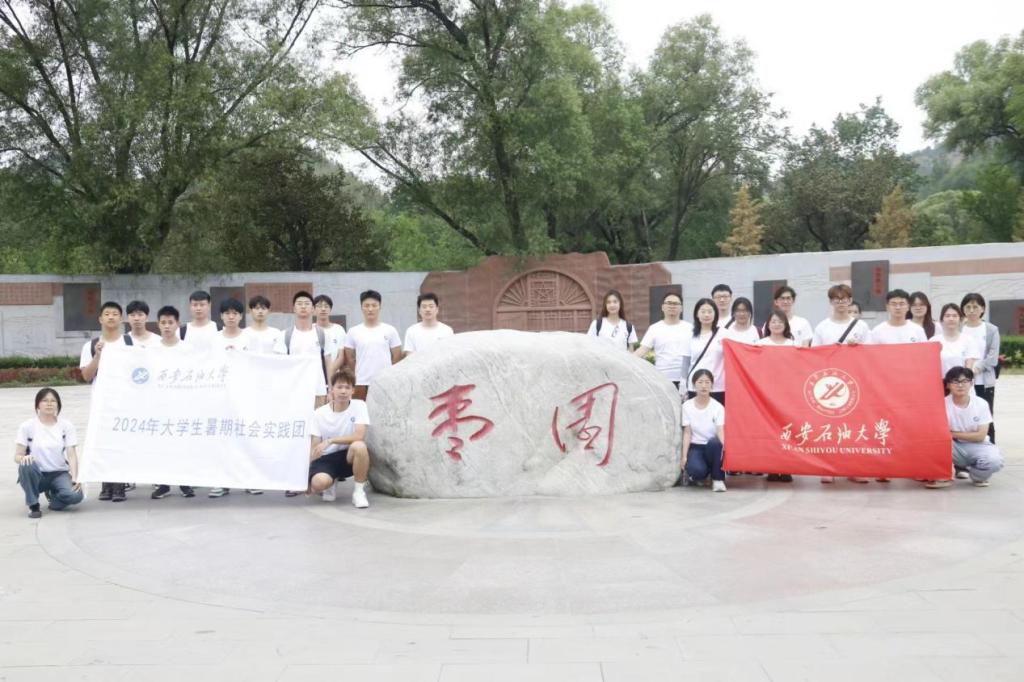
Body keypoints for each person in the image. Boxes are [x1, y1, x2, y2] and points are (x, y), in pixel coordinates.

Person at [207, 297, 261, 498]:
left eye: (235, 313)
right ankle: (222, 482)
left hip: (244, 396)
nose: (231, 317)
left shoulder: (249, 338)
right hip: (220, 396)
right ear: (221, 316)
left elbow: (257, 365)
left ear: (240, 316)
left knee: (245, 438)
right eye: (227, 313)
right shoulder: (214, 339)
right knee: (221, 439)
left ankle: (249, 479)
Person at [79, 301, 128, 502]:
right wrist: (98, 356)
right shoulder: (91, 345)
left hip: (125, 402)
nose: (111, 317)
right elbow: (86, 376)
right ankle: (106, 484)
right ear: (100, 319)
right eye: (107, 314)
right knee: (103, 443)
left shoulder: (129, 343)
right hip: (101, 403)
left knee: (121, 444)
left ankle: (120, 485)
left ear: (121, 319)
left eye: (115, 314)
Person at [925, 367, 1004, 489]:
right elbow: (937, 433)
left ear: (971, 383)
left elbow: (980, 436)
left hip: (978, 445)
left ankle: (977, 476)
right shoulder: (941, 405)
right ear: (948, 385)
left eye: (965, 381)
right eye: (955, 381)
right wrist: (950, 436)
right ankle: (943, 475)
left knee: (994, 461)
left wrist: (952, 433)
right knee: (932, 444)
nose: (960, 385)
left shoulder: (981, 404)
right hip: (952, 446)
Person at [14, 388, 84, 518]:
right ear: (37, 405)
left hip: (59, 473)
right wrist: (24, 458)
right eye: (45, 400)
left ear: (58, 405)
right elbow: (17, 456)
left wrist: (75, 478)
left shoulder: (66, 426)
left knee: (76, 496)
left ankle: (54, 499)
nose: (49, 404)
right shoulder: (27, 426)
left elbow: (71, 454)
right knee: (26, 464)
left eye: (53, 401)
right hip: (37, 474)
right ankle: (33, 505)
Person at [150, 306, 197, 500]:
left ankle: (185, 482)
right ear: (158, 325)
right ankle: (163, 484)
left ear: (178, 324)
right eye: (163, 323)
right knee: (162, 446)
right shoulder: (151, 350)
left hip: (182, 404)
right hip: (159, 405)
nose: (167, 326)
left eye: (171, 322)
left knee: (183, 445)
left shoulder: (188, 349)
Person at [307, 368, 372, 508]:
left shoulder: (360, 406)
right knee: (318, 484)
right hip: (327, 458)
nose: (343, 391)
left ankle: (359, 492)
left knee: (360, 446)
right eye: (339, 387)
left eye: (347, 387)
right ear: (332, 390)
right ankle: (330, 481)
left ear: (353, 390)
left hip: (348, 456)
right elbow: (315, 446)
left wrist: (331, 440)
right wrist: (306, 477)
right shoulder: (319, 413)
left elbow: (359, 435)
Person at [342, 290, 402, 401]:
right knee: (361, 410)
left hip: (385, 382)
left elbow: (397, 356)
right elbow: (349, 357)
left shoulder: (390, 330)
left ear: (380, 307)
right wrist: (357, 372)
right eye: (367, 306)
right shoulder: (353, 331)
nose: (370, 309)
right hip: (361, 382)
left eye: (374, 305)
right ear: (361, 307)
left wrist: (389, 374)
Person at [960, 293, 1000, 444]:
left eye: (975, 307)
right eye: (968, 307)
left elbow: (993, 358)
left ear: (982, 309)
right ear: (963, 309)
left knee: (986, 417)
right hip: (961, 382)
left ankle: (990, 448)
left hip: (983, 382)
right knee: (964, 416)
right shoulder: (959, 328)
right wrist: (963, 374)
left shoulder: (991, 330)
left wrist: (974, 369)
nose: (971, 310)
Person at [634, 292, 692, 389]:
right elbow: (642, 350)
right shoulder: (654, 328)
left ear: (681, 308)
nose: (672, 306)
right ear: (662, 307)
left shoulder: (690, 328)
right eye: (669, 303)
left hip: (686, 379)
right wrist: (626, 361)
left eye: (675, 303)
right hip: (662, 379)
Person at [681, 369, 726, 492]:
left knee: (716, 443)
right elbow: (687, 432)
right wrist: (684, 456)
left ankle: (718, 479)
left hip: (713, 447)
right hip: (696, 447)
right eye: (700, 382)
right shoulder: (687, 406)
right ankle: (705, 473)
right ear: (694, 385)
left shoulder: (718, 407)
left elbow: (720, 430)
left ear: (712, 385)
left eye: (707, 382)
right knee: (696, 471)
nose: (704, 386)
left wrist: (725, 449)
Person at [685, 298, 724, 404]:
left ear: (715, 314)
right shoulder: (690, 334)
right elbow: (686, 362)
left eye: (710, 311)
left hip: (717, 386)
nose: (706, 315)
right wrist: (683, 383)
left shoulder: (724, 334)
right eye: (703, 311)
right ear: (697, 314)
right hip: (695, 386)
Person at [931, 304, 981, 380]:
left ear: (960, 319)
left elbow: (969, 369)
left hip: (962, 384)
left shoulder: (968, 340)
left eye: (955, 316)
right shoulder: (933, 341)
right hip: (940, 384)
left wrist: (959, 382)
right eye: (947, 316)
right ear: (941, 320)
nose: (951, 319)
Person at [313, 294, 346, 375]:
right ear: (313, 309)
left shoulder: (339, 329)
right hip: (314, 374)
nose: (323, 309)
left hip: (334, 375)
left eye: (326, 306)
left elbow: (341, 356)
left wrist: (330, 372)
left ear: (330, 309)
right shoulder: (309, 330)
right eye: (319, 306)